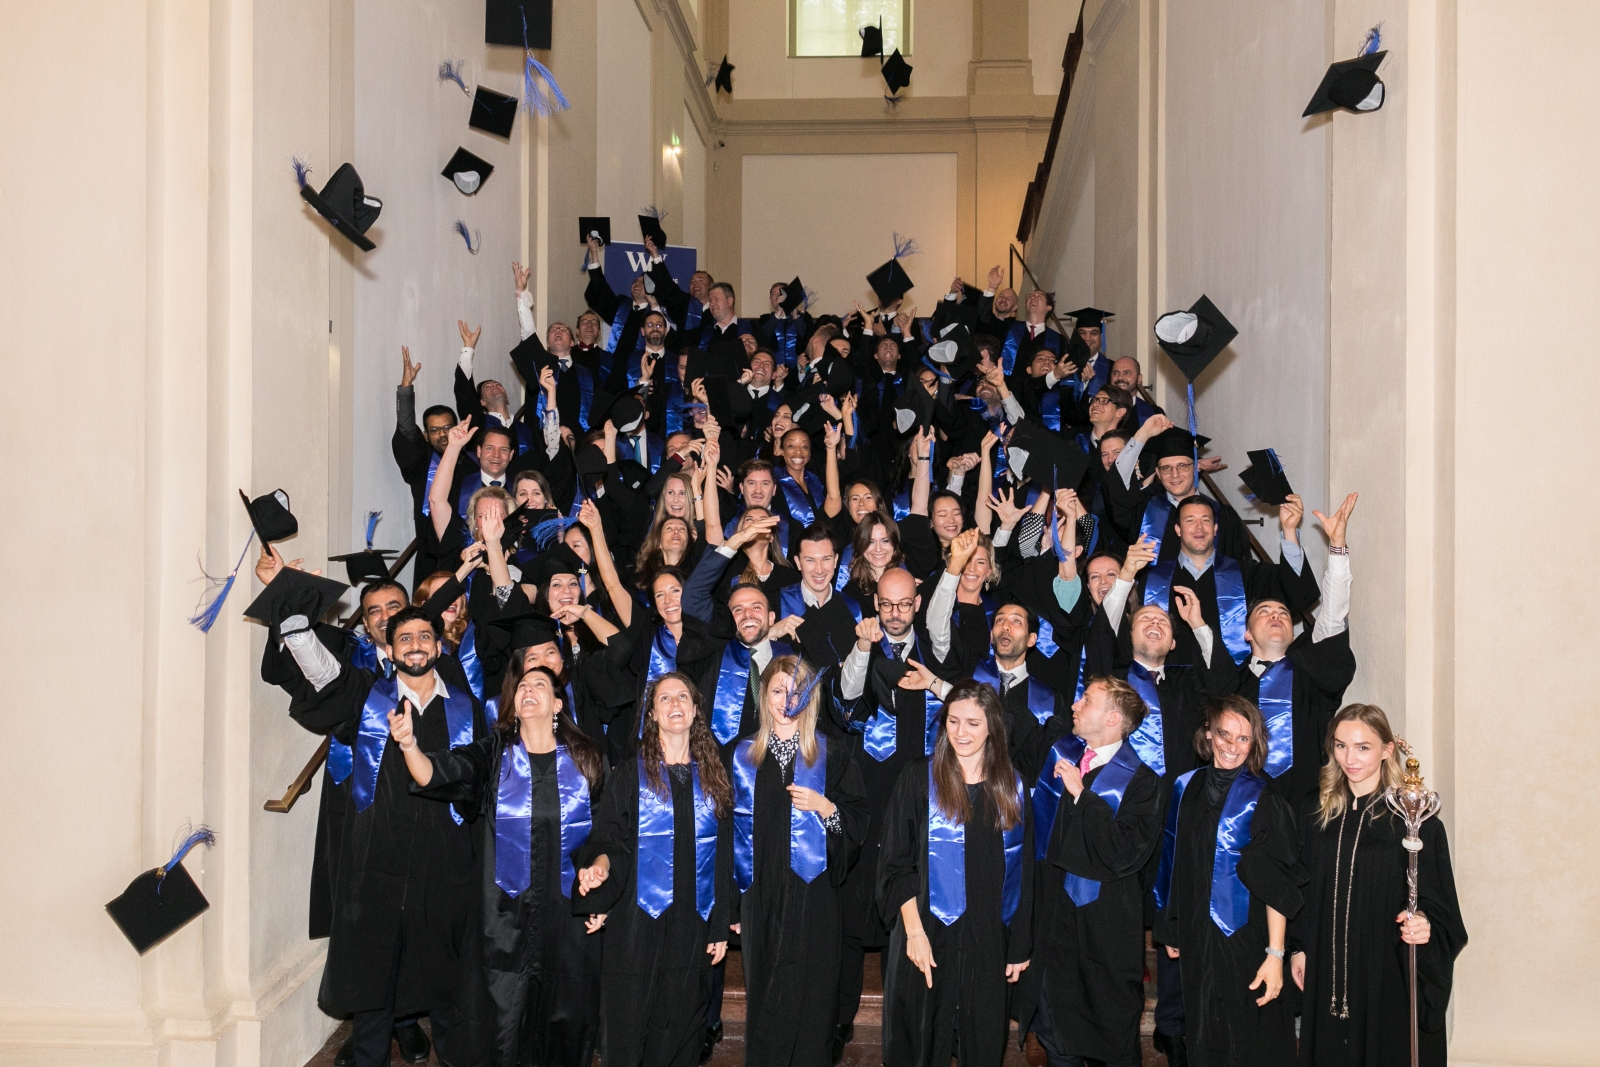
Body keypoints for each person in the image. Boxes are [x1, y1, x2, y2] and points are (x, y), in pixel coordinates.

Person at [286, 605, 487, 1067]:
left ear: (439, 646)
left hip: (445, 861)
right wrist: (293, 615)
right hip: (377, 858)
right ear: (390, 650)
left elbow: (475, 780)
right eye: (404, 638)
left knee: (446, 979)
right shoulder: (367, 698)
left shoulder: (465, 707)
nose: (415, 644)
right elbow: (324, 676)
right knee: (373, 979)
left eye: (423, 636)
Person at [387, 660, 609, 1067]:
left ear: (558, 704)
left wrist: (601, 885)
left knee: (564, 1013)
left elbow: (606, 834)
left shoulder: (587, 759)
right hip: (504, 914)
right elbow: (436, 774)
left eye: (539, 685)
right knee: (501, 1019)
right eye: (521, 685)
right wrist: (408, 746)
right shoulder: (494, 755)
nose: (527, 690)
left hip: (567, 915)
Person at [1289, 704, 1467, 1067]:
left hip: (1385, 973)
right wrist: (1298, 947)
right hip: (1326, 966)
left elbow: (1439, 903)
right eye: (1340, 745)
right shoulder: (1316, 810)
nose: (1349, 758)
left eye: (1362, 747)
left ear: (1388, 750)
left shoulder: (1415, 821)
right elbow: (1300, 889)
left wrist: (1426, 924)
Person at [571, 673, 734, 1067]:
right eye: (665, 698)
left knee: (681, 1026)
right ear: (653, 714)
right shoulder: (630, 773)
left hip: (693, 920)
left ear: (696, 710)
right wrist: (599, 869)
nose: (675, 704)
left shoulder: (715, 777)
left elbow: (725, 855)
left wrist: (719, 926)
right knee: (629, 1028)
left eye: (683, 697)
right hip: (636, 921)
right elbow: (608, 837)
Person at [876, 681, 1033, 1067]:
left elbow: (1024, 872)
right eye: (953, 721)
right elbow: (895, 864)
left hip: (986, 937)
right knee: (919, 1043)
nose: (961, 732)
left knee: (982, 1043)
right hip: (924, 932)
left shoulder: (1012, 786)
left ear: (993, 728)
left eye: (973, 723)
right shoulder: (918, 778)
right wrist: (913, 932)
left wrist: (1018, 945)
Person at [730, 656, 870, 1067]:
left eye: (796, 692)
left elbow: (857, 822)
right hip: (759, 897)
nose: (786, 700)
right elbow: (722, 834)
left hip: (814, 899)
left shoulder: (832, 754)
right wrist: (730, 903)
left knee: (812, 999)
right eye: (777, 690)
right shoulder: (740, 756)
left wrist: (826, 807)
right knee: (765, 997)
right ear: (764, 695)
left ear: (810, 698)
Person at [1154, 695, 1306, 1067]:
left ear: (1255, 744)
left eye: (1243, 739)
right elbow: (1172, 861)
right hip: (1196, 935)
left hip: (1247, 938)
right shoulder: (1184, 787)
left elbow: (1279, 886)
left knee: (1252, 1039)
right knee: (1205, 1033)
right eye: (1224, 734)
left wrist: (1275, 954)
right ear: (1208, 734)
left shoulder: (1264, 798)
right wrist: (1171, 926)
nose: (1232, 747)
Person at [1024, 677, 1165, 1067]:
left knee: (1111, 1040)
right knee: (1057, 1039)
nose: (1074, 705)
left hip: (1105, 936)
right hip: (1057, 930)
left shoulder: (1143, 783)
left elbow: (1122, 852)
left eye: (1086, 700)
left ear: (1112, 719)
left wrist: (1082, 796)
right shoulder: (1061, 759)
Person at [1199, 492, 1360, 810]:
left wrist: (1337, 548)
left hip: (1309, 806)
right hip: (1243, 809)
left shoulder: (1310, 668)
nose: (1276, 615)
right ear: (1246, 633)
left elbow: (1333, 613)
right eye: (1264, 612)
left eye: (1284, 613)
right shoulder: (1229, 686)